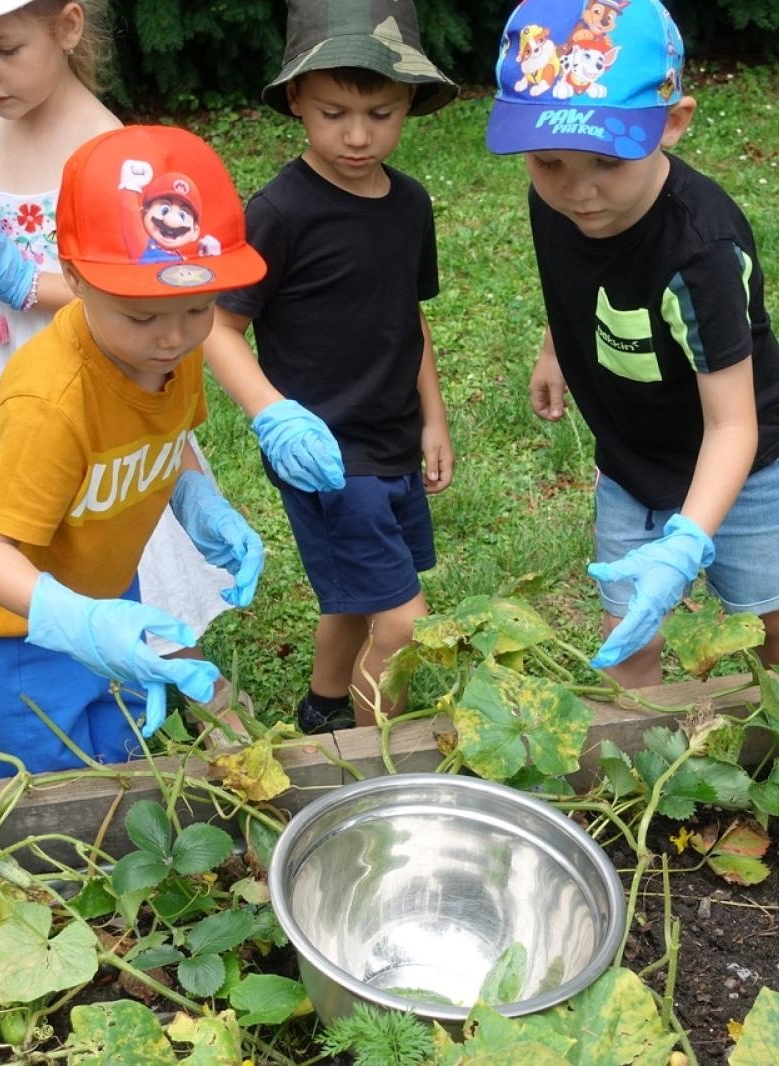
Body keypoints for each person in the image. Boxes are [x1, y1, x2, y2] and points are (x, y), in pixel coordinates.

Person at [0, 0, 242, 707]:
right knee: (42, 505)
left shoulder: (105, 148)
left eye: (5, 48)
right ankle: (75, 656)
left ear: (67, 27)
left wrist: (28, 281)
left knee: (130, 509)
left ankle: (201, 687)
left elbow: (134, 296)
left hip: (108, 362)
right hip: (18, 366)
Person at [485, 0, 779, 688]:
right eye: (549, 163)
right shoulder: (556, 202)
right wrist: (555, 347)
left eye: (606, 161)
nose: (580, 193)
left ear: (672, 123)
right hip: (632, 457)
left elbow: (734, 423)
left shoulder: (701, 253)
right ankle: (633, 772)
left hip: (743, 465)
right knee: (630, 630)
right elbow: (576, 281)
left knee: (768, 613)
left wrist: (688, 541)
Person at [0, 124, 268, 781]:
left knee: (119, 756)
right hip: (14, 631)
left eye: (198, 309)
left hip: (108, 593)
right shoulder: (51, 402)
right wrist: (78, 622)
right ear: (77, 278)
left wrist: (200, 503)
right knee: (40, 789)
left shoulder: (172, 349)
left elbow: (168, 442)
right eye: (141, 317)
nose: (173, 337)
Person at [206, 0, 457, 733]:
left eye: (380, 113)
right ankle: (378, 756)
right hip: (326, 458)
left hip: (392, 440)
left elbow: (407, 313)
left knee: (354, 595)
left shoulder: (409, 204)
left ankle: (321, 711)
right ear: (295, 100)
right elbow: (218, 329)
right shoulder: (279, 212)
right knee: (404, 622)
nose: (356, 134)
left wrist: (433, 417)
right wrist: (273, 417)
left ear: (408, 98)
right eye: (333, 111)